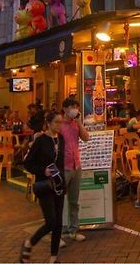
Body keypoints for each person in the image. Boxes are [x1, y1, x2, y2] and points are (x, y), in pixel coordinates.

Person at [21, 111, 66, 263]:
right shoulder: (41, 141)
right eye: (56, 122)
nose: (59, 125)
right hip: (44, 185)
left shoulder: (61, 139)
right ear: (49, 123)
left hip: (58, 184)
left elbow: (60, 163)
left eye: (61, 122)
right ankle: (29, 242)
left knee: (59, 222)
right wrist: (43, 171)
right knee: (51, 221)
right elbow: (28, 163)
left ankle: (53, 258)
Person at [60, 98, 89, 242]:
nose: (75, 109)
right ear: (64, 109)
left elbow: (86, 138)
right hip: (63, 167)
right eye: (72, 107)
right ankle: (57, 234)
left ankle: (73, 230)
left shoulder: (75, 124)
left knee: (74, 201)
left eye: (77, 107)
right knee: (57, 202)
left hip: (76, 166)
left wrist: (79, 122)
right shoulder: (58, 125)